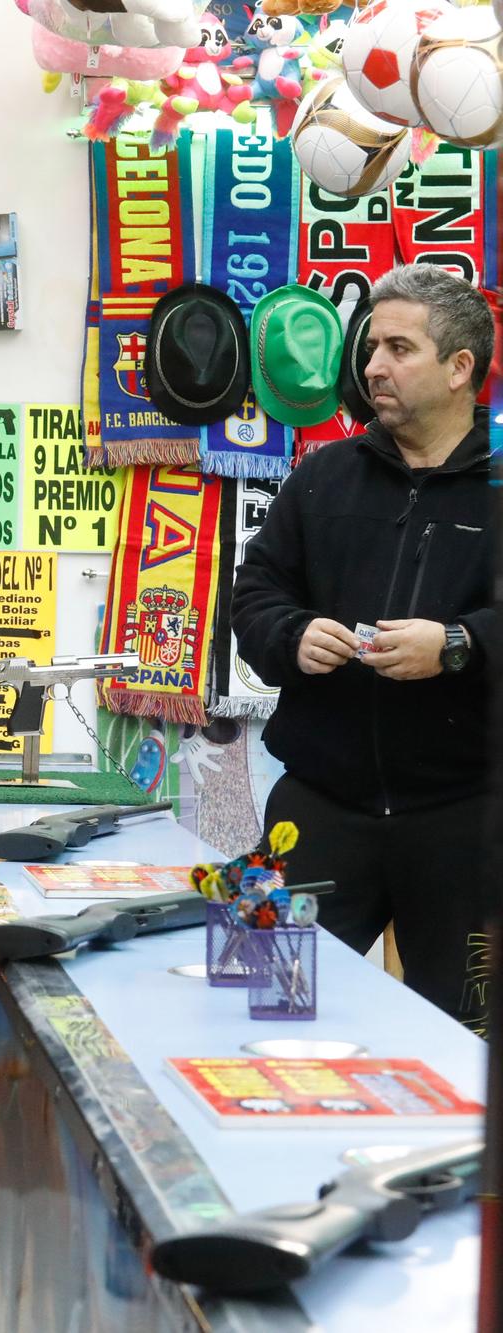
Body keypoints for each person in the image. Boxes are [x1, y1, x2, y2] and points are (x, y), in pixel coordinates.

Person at [233, 263, 495, 1027]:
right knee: (250, 999)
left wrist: (458, 643)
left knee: (469, 1046)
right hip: (314, 805)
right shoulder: (323, 477)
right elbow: (255, 594)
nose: (373, 365)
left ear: (459, 368)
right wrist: (293, 632)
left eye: (399, 349)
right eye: (372, 346)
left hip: (466, 821)